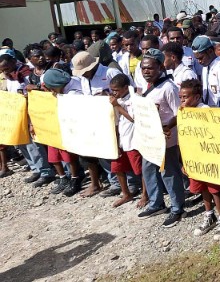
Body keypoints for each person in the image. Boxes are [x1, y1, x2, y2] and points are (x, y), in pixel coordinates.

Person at [136, 48, 186, 228]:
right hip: (149, 139)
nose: (146, 71)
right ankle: (156, 203)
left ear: (160, 67)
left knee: (169, 173)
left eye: (150, 68)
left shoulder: (168, 88)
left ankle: (177, 207)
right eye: (143, 68)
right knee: (148, 169)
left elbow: (180, 113)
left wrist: (168, 126)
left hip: (167, 140)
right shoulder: (148, 86)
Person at [178, 79, 220, 240]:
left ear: (196, 97)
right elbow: (183, 138)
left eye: (185, 97)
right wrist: (184, 161)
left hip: (208, 159)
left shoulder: (205, 111)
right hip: (194, 159)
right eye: (180, 97)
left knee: (214, 189)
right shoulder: (183, 112)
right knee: (202, 189)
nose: (182, 101)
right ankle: (209, 215)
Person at [71, 51, 123, 197]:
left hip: (116, 119)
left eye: (85, 71)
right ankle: (114, 182)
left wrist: (108, 97)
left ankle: (127, 183)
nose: (83, 74)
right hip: (96, 121)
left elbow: (129, 91)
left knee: (118, 152)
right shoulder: (83, 79)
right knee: (102, 152)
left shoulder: (111, 72)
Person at [0, 49, 56, 187]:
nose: (5, 72)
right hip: (15, 114)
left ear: (13, 62)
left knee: (32, 144)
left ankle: (45, 171)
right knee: (20, 142)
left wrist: (25, 96)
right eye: (2, 70)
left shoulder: (25, 73)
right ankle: (35, 168)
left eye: (6, 68)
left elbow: (32, 91)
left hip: (29, 113)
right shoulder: (9, 76)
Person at [38, 68, 84, 196]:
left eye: (51, 88)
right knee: (53, 155)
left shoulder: (73, 93)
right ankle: (63, 178)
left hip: (68, 126)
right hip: (54, 125)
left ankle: (75, 179)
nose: (50, 91)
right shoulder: (58, 90)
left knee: (69, 156)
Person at [108, 74, 145, 208]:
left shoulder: (134, 99)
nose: (114, 93)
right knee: (117, 167)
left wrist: (117, 106)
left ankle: (145, 195)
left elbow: (133, 118)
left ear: (125, 88)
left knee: (140, 170)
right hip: (121, 138)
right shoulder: (117, 100)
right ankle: (126, 193)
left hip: (133, 139)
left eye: (116, 90)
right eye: (112, 90)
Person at [192, 36, 220, 107]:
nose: (199, 62)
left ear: (210, 51)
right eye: (197, 59)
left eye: (201, 58)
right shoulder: (205, 67)